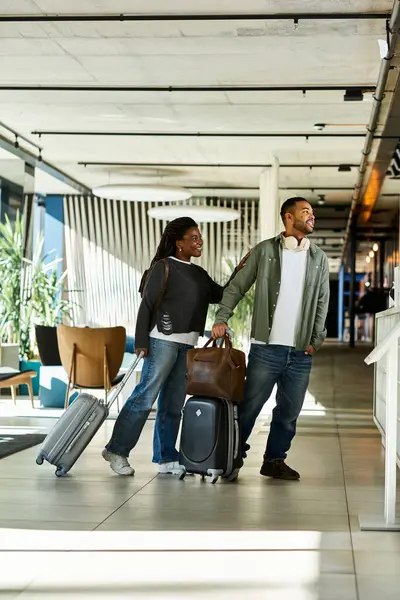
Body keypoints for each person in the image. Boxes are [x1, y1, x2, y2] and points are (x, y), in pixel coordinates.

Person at [103, 217, 249, 476]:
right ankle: (117, 450)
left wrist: (240, 270)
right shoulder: (164, 267)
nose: (199, 241)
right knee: (145, 397)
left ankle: (166, 458)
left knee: (173, 403)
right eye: (193, 237)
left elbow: (222, 294)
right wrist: (141, 342)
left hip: (188, 346)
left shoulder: (199, 273)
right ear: (179, 243)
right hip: (162, 342)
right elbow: (146, 305)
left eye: (199, 237)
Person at [212, 197, 329, 481]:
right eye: (306, 212)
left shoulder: (319, 258)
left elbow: (322, 301)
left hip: (301, 351)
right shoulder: (264, 251)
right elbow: (236, 286)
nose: (311, 216)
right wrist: (221, 318)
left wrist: (317, 338)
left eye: (312, 212)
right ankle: (233, 457)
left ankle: (274, 460)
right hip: (266, 349)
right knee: (250, 407)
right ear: (288, 217)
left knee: (289, 412)